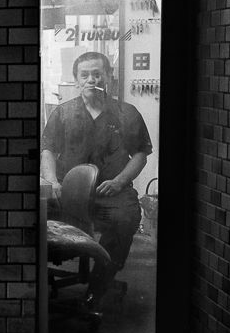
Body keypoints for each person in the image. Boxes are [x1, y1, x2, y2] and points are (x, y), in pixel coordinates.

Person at [41, 51, 152, 309]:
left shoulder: (127, 113)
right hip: (67, 193)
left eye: (97, 74)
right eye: (85, 75)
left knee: (125, 220)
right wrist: (52, 181)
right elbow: (47, 150)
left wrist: (120, 182)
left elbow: (140, 154)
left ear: (109, 76)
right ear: (77, 80)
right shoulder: (63, 113)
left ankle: (98, 285)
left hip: (112, 194)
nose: (91, 79)